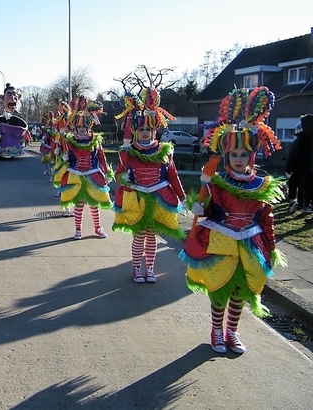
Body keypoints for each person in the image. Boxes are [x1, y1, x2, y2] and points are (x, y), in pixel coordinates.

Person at [180, 86, 285, 354]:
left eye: (244, 155)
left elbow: (266, 218)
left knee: (240, 291)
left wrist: (271, 248)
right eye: (234, 155)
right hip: (220, 243)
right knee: (220, 289)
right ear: (227, 156)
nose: (239, 159)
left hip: (250, 245)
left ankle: (232, 332)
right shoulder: (216, 181)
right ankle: (216, 331)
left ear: (251, 156)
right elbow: (205, 210)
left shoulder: (262, 184)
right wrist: (199, 208)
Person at [112, 89, 186, 283]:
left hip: (158, 197)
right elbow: (118, 175)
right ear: (136, 131)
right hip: (136, 198)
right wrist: (123, 178)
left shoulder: (164, 151)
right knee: (139, 235)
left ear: (155, 130)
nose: (145, 133)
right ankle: (137, 268)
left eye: (149, 130)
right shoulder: (127, 152)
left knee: (152, 235)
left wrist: (183, 198)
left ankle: (150, 269)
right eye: (142, 130)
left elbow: (172, 175)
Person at [53, 96, 112, 239]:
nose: (81, 129)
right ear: (76, 127)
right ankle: (78, 230)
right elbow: (65, 156)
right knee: (78, 205)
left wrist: (106, 171)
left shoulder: (95, 140)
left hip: (92, 174)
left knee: (94, 204)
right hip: (75, 174)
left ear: (88, 127)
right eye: (79, 127)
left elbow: (101, 157)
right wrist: (64, 157)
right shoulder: (70, 140)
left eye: (84, 127)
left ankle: (98, 228)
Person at [285, 115, 313, 214]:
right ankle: (305, 205)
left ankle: (295, 201)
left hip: (300, 167)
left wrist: (288, 168)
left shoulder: (300, 140)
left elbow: (292, 155)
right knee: (305, 186)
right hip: (308, 168)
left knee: (297, 183)